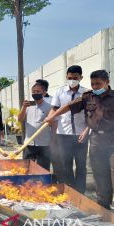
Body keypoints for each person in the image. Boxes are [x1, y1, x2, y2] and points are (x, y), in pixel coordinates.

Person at [45, 70, 114, 209]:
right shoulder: (88, 97)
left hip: (112, 138)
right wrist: (53, 116)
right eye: (93, 84)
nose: (95, 87)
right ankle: (104, 203)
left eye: (98, 84)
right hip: (96, 139)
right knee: (99, 172)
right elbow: (69, 107)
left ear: (107, 82)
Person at [49, 65, 89, 193]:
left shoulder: (87, 93)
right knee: (66, 165)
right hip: (63, 134)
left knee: (81, 166)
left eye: (75, 78)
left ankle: (80, 191)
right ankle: (71, 191)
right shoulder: (59, 92)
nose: (72, 80)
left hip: (80, 134)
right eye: (70, 77)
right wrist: (49, 119)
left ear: (81, 77)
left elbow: (91, 114)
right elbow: (54, 109)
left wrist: (87, 130)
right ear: (66, 77)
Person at [18, 83, 53, 171]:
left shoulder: (49, 107)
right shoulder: (28, 106)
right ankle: (27, 184)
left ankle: (43, 184)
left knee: (43, 169)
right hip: (29, 143)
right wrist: (24, 108)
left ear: (44, 93)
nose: (35, 93)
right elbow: (20, 119)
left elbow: (53, 123)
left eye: (38, 91)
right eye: (33, 92)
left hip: (44, 144)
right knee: (27, 168)